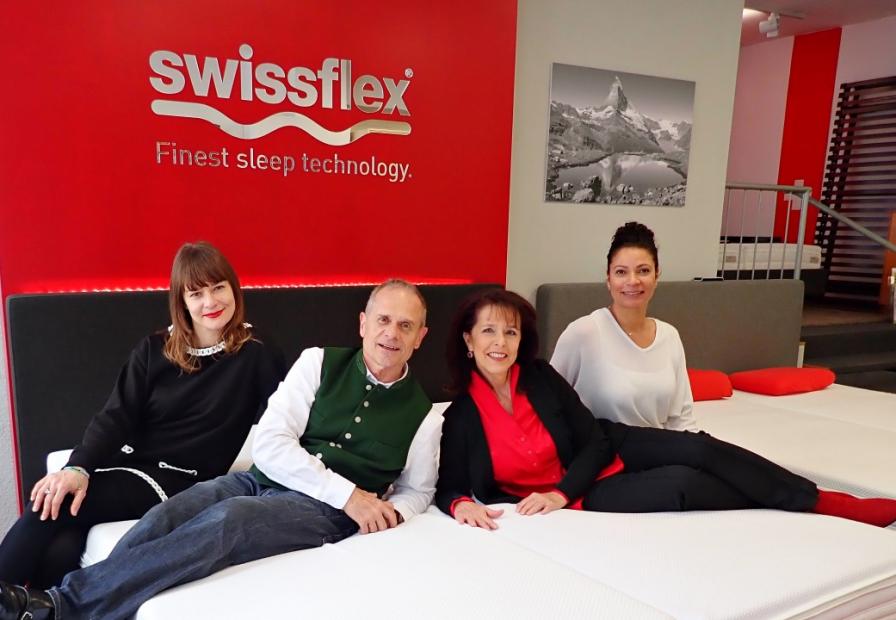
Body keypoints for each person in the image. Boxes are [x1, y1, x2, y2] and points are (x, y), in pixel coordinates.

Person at [0, 279, 442, 620]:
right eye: (383, 320)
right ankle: (99, 601)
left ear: (420, 336)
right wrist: (349, 494)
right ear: (363, 323)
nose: (391, 334)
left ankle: (60, 606)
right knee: (171, 513)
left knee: (229, 521)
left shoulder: (424, 416)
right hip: (261, 479)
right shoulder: (317, 362)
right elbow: (269, 444)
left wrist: (389, 512)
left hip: (324, 512)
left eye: (405, 326)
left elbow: (419, 490)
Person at [434, 287, 896, 530]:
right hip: (585, 494)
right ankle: (782, 499)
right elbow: (450, 485)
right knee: (681, 485)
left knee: (700, 449)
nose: (500, 342)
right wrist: (460, 505)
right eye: (489, 331)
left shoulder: (539, 377)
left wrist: (559, 490)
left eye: (510, 331)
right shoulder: (460, 417)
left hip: (607, 446)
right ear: (468, 340)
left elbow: (593, 440)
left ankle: (824, 501)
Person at [0, 241, 285, 589]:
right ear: (181, 301)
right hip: (127, 464)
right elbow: (116, 416)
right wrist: (78, 467)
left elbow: (285, 420)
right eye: (196, 293)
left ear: (233, 289)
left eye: (218, 287)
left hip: (177, 479)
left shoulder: (256, 352)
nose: (210, 302)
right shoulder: (154, 349)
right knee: (62, 543)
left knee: (49, 506)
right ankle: (39, 609)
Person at [550, 221, 696, 430]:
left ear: (656, 276)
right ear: (608, 279)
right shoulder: (583, 333)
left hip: (660, 446)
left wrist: (690, 448)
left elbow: (681, 419)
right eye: (621, 272)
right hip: (602, 446)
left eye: (643, 271)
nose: (633, 281)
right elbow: (550, 405)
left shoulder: (669, 336)